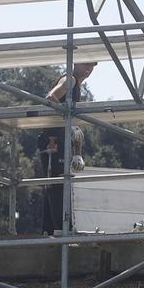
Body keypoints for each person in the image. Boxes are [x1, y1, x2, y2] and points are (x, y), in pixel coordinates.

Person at [34, 63, 95, 234]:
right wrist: (66, 118)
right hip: (53, 142)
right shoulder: (70, 80)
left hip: (59, 141)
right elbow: (51, 97)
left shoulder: (76, 84)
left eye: (93, 65)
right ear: (76, 63)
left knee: (54, 183)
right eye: (86, 64)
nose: (89, 68)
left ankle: (50, 229)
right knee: (57, 183)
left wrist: (77, 151)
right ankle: (61, 228)